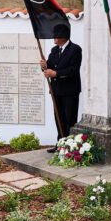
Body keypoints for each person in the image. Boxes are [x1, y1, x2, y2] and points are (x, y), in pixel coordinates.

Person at [40, 24, 82, 153]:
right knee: (59, 118)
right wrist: (44, 66)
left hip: (70, 91)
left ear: (63, 36)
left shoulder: (75, 49)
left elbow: (73, 70)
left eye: (56, 35)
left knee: (69, 119)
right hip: (56, 90)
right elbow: (50, 67)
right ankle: (60, 143)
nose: (54, 38)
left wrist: (56, 73)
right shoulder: (54, 50)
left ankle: (70, 146)